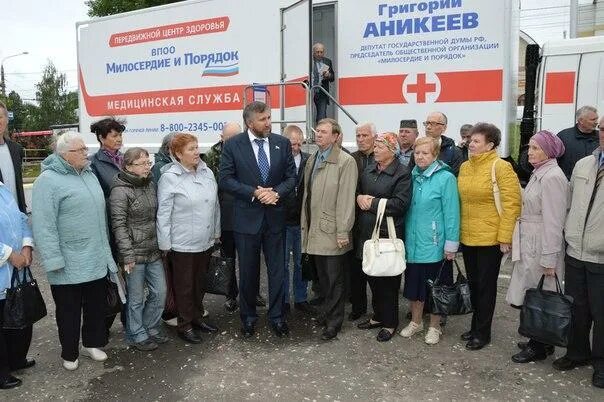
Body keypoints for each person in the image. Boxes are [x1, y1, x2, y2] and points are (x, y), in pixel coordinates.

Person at [32, 132, 117, 371]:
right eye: (79, 150)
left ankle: (93, 343)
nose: (85, 153)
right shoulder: (47, 181)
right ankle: (69, 352)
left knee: (95, 305)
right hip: (68, 260)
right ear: (64, 155)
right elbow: (43, 225)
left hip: (95, 255)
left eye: (84, 149)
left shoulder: (88, 173)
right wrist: (53, 259)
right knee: (68, 310)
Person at [219, 101, 296, 338]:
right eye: (263, 120)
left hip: (275, 219)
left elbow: (291, 177)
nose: (269, 123)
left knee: (277, 272)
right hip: (246, 220)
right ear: (249, 123)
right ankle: (248, 317)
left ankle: (277, 317)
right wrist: (254, 192)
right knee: (249, 273)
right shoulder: (233, 145)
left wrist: (276, 193)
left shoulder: (281, 143)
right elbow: (226, 179)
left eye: (270, 118)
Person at [505, 130, 568, 363]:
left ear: (548, 151)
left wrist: (550, 259)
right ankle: (540, 339)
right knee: (533, 292)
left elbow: (555, 221)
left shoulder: (553, 177)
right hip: (531, 239)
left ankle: (538, 346)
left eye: (535, 148)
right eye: (529, 147)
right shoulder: (539, 173)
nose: (529, 152)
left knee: (541, 294)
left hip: (541, 242)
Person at [457, 123, 521, 350]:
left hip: (491, 239)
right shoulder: (465, 167)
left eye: (476, 141)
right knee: (474, 284)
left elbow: (512, 204)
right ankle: (475, 326)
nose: (470, 144)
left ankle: (483, 333)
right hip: (468, 236)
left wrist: (505, 237)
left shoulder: (501, 167)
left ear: (490, 145)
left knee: (486, 287)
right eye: (470, 140)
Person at [553, 117, 604, 388]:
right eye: (603, 129)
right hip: (576, 251)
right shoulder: (584, 164)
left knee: (601, 312)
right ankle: (577, 352)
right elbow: (570, 204)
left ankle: (601, 363)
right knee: (577, 307)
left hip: (601, 255)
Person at [157, 133, 220, 344]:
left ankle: (197, 316)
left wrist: (216, 231)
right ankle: (184, 325)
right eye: (191, 149)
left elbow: (215, 205)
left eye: (196, 147)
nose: (196, 152)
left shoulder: (207, 171)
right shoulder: (169, 177)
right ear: (177, 153)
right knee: (184, 286)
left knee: (200, 282)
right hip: (182, 242)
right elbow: (163, 213)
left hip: (205, 239)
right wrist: (165, 243)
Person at [301, 118, 357, 341]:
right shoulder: (313, 158)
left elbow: (346, 200)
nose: (319, 135)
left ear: (336, 136)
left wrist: (343, 231)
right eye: (318, 131)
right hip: (315, 229)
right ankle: (326, 314)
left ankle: (334, 323)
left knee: (334, 280)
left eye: (324, 132)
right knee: (322, 279)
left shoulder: (345, 161)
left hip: (333, 230)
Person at [400, 137, 459, 345]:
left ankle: (435, 326)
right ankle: (416, 322)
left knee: (437, 289)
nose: (420, 157)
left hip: (435, 245)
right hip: (413, 244)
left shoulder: (446, 178)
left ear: (435, 155)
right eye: (417, 153)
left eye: (425, 153)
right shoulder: (412, 176)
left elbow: (452, 213)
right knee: (415, 286)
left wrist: (451, 244)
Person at [109, 148, 167, 352]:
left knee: (160, 292)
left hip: (153, 250)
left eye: (147, 162)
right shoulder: (119, 190)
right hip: (133, 254)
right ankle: (137, 333)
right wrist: (127, 255)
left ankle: (150, 326)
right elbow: (119, 225)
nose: (146, 167)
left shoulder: (150, 184)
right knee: (135, 298)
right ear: (128, 166)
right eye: (141, 163)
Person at [355, 132, 411, 342]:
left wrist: (373, 203)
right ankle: (378, 316)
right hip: (367, 234)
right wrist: (359, 197)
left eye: (380, 147)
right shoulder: (369, 169)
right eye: (376, 146)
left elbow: (400, 204)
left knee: (388, 282)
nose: (375, 150)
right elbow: (359, 192)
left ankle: (390, 322)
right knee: (372, 277)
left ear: (391, 150)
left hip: (388, 235)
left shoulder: (402, 173)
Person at [0, 180, 34, 389]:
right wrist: (9, 254)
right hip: (7, 262)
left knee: (15, 317)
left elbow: (21, 218)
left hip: (16, 267)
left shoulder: (2, 187)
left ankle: (15, 359)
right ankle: (2, 372)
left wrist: (26, 246)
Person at [282, 125, 313, 314]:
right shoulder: (278, 161)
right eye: (292, 143)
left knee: (302, 262)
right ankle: (284, 300)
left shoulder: (309, 161)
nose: (296, 147)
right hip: (283, 221)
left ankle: (301, 298)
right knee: (283, 263)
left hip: (302, 222)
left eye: (299, 143)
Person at [349, 122, 376, 321]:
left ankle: (378, 309)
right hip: (356, 220)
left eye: (365, 135)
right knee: (355, 269)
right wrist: (357, 196)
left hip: (376, 219)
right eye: (358, 135)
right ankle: (358, 307)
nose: (360, 139)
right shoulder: (352, 159)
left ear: (374, 137)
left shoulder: (382, 157)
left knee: (377, 269)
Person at [413, 112, 464, 176]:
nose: (428, 127)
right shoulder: (418, 148)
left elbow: (455, 177)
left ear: (444, 127)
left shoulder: (454, 152)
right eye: (427, 123)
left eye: (433, 124)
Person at [557, 105, 599, 180]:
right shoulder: (563, 137)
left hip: (594, 184)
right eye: (593, 119)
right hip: (569, 183)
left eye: (596, 119)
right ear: (581, 121)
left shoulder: (601, 137)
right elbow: (554, 161)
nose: (596, 122)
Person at [0, 101, 27, 213]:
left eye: (0, 117)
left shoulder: (16, 149)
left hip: (17, 216)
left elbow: (18, 184)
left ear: (6, 120)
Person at [89, 117, 126, 198]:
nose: (119, 139)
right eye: (114, 136)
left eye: (120, 135)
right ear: (101, 138)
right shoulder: (92, 163)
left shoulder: (127, 158)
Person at [312, 42, 335, 123]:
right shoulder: (308, 61)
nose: (319, 54)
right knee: (307, 113)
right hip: (310, 92)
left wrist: (328, 75)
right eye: (317, 52)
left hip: (322, 92)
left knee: (322, 116)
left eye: (321, 52)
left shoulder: (327, 61)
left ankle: (320, 133)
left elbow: (333, 78)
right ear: (313, 52)